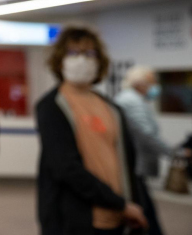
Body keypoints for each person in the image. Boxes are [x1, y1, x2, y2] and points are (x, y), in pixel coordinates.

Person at [36, 26, 149, 235]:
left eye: (89, 53)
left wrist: (130, 205)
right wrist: (118, 203)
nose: (82, 59)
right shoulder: (51, 106)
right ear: (61, 60)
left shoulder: (112, 108)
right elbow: (65, 168)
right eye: (73, 53)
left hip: (119, 216)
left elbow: (127, 162)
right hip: (76, 219)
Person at [115, 66, 183, 235]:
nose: (156, 86)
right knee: (144, 213)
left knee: (145, 211)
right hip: (135, 164)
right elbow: (146, 135)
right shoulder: (131, 101)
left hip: (136, 164)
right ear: (140, 83)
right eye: (153, 81)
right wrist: (174, 153)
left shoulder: (135, 99)